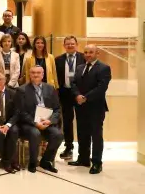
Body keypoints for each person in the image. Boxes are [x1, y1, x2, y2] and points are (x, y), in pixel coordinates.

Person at [69, 44, 111, 174]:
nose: (87, 54)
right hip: (80, 106)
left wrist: (85, 97)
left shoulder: (104, 68)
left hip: (95, 107)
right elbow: (74, 83)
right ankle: (83, 158)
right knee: (82, 133)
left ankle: (97, 163)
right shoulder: (80, 67)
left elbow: (101, 88)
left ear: (97, 53)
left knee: (96, 135)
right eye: (86, 52)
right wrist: (77, 95)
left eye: (91, 52)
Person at [16, 66, 63, 173]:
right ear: (29, 74)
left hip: (47, 122)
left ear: (43, 75)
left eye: (38, 73)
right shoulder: (21, 90)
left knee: (58, 135)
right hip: (29, 123)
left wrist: (50, 121)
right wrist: (35, 123)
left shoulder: (50, 88)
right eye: (33, 73)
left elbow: (57, 109)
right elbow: (21, 112)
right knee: (35, 133)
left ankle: (46, 161)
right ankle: (33, 162)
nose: (36, 75)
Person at [55, 36, 85, 160]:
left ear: (77, 44)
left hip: (79, 94)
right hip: (65, 93)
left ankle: (84, 149)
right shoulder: (58, 60)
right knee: (67, 122)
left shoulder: (83, 57)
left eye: (72, 44)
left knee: (82, 121)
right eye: (68, 44)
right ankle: (68, 147)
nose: (70, 46)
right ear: (64, 46)